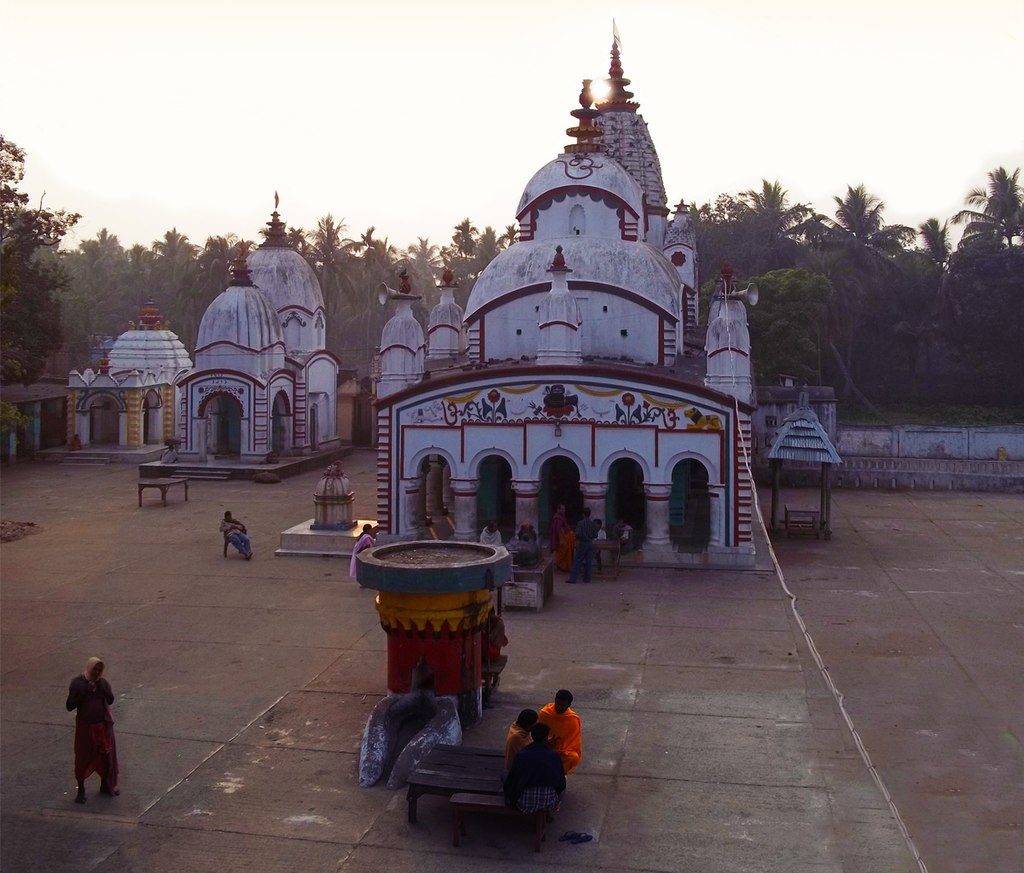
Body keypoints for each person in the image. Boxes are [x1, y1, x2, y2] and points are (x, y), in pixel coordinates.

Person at [66, 658, 119, 803]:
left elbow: (110, 699)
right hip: (85, 727)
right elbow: (69, 705)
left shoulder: (102, 683)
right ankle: (81, 790)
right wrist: (84, 693)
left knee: (106, 757)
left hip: (101, 726)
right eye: (94, 669)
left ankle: (105, 784)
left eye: (99, 670)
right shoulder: (78, 683)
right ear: (89, 668)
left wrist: (102, 689)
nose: (97, 672)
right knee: (83, 757)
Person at [503, 722, 566, 814]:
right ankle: (550, 812)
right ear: (546, 737)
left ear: (531, 736)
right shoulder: (554, 755)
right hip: (549, 801)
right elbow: (561, 783)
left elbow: (513, 778)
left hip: (524, 803)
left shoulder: (522, 755)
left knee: (505, 776)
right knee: (564, 782)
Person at [538, 689, 583, 775]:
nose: (559, 707)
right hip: (544, 747)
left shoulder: (572, 719)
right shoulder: (545, 714)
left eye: (563, 705)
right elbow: (536, 734)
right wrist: (546, 743)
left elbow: (573, 743)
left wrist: (560, 749)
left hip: (561, 751)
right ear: (555, 700)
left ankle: (558, 775)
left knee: (573, 757)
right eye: (558, 704)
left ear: (569, 705)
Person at [567, 508, 597, 584]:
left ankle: (573, 579)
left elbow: (578, 533)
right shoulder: (592, 523)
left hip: (583, 543)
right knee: (588, 561)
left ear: (583, 514)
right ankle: (587, 579)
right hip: (590, 543)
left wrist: (578, 538)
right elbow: (595, 534)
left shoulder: (580, 523)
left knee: (577, 560)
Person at [549, 504, 574, 572]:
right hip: (560, 539)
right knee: (561, 553)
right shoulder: (557, 518)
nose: (563, 510)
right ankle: (560, 566)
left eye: (564, 509)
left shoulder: (561, 517)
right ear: (558, 510)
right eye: (562, 509)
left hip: (562, 538)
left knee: (564, 553)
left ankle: (562, 567)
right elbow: (558, 529)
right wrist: (563, 538)